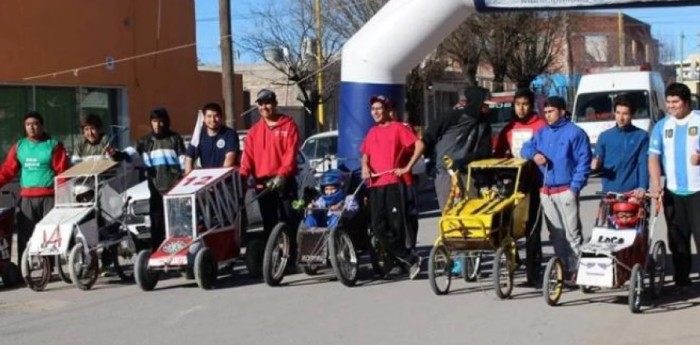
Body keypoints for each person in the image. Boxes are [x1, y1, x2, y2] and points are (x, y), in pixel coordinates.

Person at [520, 96, 591, 285]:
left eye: (551, 111)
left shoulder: (575, 133)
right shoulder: (542, 133)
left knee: (572, 234)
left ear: (562, 111)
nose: (548, 115)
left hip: (566, 190)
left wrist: (575, 187)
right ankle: (563, 269)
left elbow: (584, 162)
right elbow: (525, 148)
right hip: (546, 191)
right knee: (556, 234)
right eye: (546, 112)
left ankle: (576, 269)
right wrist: (534, 154)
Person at [360, 94, 424, 279]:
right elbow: (365, 153)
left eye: (379, 108)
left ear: (388, 110)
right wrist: (365, 166)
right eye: (373, 109)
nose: (376, 112)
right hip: (375, 184)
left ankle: (401, 262)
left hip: (393, 183)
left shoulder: (398, 128)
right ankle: (408, 258)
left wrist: (407, 167)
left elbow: (419, 145)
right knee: (378, 227)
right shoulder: (372, 132)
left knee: (396, 226)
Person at [240, 89, 301, 273]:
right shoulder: (254, 131)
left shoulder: (288, 125)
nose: (264, 107)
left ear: (275, 104)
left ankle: (292, 259)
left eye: (267, 103)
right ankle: (274, 260)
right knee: (269, 223)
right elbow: (247, 158)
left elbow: (290, 155)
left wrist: (282, 175)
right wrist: (242, 176)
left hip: (285, 180)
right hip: (263, 184)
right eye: (260, 104)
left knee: (289, 219)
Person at [648, 82, 700, 295]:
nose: (671, 106)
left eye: (675, 102)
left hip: (697, 191)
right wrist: (656, 185)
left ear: (686, 102)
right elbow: (653, 157)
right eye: (668, 102)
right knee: (677, 240)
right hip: (673, 192)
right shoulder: (662, 126)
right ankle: (682, 282)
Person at [0, 111, 70, 264]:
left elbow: (63, 172)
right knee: (25, 236)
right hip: (27, 198)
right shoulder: (20, 146)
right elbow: (8, 170)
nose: (32, 127)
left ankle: (50, 267)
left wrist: (64, 196)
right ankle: (23, 269)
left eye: (35, 124)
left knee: (50, 235)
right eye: (28, 125)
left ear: (42, 126)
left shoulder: (53, 145)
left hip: (49, 197)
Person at [494, 88, 547, 285]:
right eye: (518, 104)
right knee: (508, 228)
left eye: (525, 104)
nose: (521, 108)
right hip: (512, 184)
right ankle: (511, 265)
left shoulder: (541, 126)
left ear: (531, 105)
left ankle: (533, 272)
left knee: (532, 228)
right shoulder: (508, 128)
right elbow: (499, 154)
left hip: (534, 182)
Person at [422, 86, 493, 212]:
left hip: (468, 173)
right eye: (485, 102)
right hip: (444, 172)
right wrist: (428, 159)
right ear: (477, 102)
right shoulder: (452, 117)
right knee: (450, 215)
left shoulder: (484, 124)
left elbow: (484, 151)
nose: (488, 106)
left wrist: (464, 161)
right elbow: (430, 136)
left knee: (472, 214)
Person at [136, 107, 186, 250]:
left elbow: (183, 162)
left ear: (166, 122)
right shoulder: (144, 142)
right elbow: (132, 158)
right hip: (156, 190)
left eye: (160, 121)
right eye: (154, 121)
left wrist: (180, 180)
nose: (157, 125)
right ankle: (157, 252)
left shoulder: (175, 139)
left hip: (174, 189)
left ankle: (178, 250)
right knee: (157, 224)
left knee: (176, 223)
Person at [592, 95, 648, 198]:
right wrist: (595, 164)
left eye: (625, 114)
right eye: (618, 113)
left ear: (632, 114)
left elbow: (643, 163)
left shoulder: (641, 136)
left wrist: (643, 187)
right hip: (609, 193)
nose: (621, 118)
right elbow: (596, 160)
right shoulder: (604, 136)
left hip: (633, 193)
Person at [184, 102, 239, 173]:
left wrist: (219, 177)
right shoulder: (198, 135)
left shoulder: (230, 134)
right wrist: (189, 177)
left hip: (225, 179)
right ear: (204, 118)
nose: (213, 120)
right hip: (207, 180)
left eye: (216, 116)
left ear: (221, 117)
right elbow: (189, 158)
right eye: (209, 116)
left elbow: (230, 159)